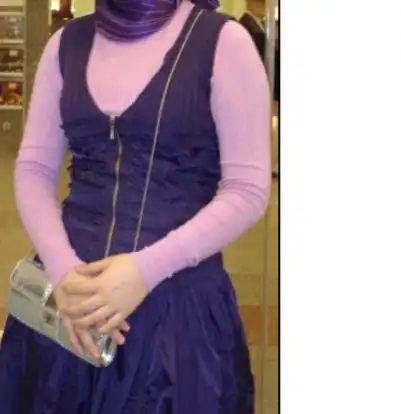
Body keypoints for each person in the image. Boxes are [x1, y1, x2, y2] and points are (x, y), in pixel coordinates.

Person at [0, 0, 271, 412]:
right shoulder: (66, 44)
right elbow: (34, 169)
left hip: (175, 312)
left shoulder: (222, 42)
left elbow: (247, 189)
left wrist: (144, 270)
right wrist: (62, 271)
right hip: (66, 308)